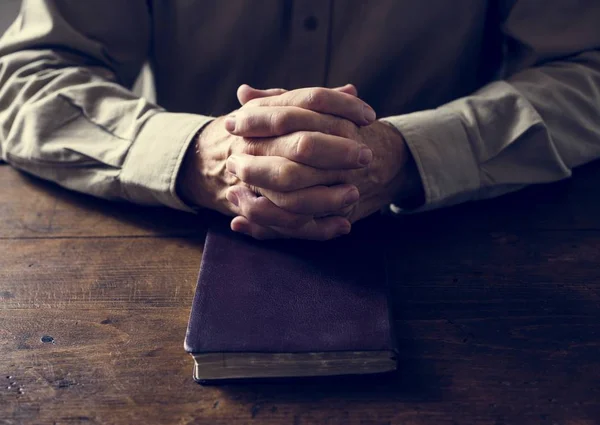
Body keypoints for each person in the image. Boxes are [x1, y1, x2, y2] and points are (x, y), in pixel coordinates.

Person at [0, 1, 599, 240]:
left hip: (472, 234)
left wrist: (409, 154)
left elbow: (585, 68)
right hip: (184, 235)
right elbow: (28, 74)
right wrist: (200, 157)